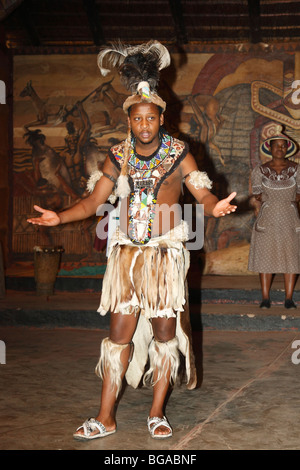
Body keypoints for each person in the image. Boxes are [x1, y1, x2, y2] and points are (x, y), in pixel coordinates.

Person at [27, 41, 237, 440]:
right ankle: (105, 416)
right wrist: (59, 216)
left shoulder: (178, 153)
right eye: (137, 119)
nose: (144, 124)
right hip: (125, 257)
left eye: (150, 118)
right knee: (117, 336)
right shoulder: (118, 154)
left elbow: (201, 191)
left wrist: (214, 207)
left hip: (163, 259)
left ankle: (157, 412)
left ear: (161, 118)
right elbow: (92, 202)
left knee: (164, 334)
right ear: (130, 121)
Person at [248, 124, 300, 309]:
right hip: (267, 218)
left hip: (290, 217)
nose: (280, 148)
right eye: (276, 145)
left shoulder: (297, 169)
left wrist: (284, 197)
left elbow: (299, 193)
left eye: (283, 145)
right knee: (265, 258)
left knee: (291, 259)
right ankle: (265, 298)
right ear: (270, 148)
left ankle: (288, 298)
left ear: (288, 148)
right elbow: (257, 194)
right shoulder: (260, 170)